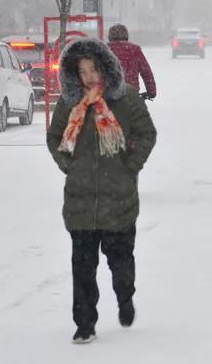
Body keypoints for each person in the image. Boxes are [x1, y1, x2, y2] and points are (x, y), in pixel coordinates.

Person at [47, 38, 157, 344]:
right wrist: (69, 165)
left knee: (121, 265)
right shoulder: (69, 103)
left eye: (93, 70)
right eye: (82, 72)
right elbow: (55, 137)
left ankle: (125, 297)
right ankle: (85, 324)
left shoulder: (125, 98)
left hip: (118, 201)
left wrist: (129, 167)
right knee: (82, 269)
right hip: (80, 203)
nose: (88, 77)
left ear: (105, 67)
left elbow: (147, 133)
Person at [107, 24, 157, 100]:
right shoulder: (134, 49)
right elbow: (146, 72)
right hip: (131, 94)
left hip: (110, 94)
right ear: (126, 36)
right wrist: (151, 92)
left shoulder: (105, 49)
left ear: (110, 37)